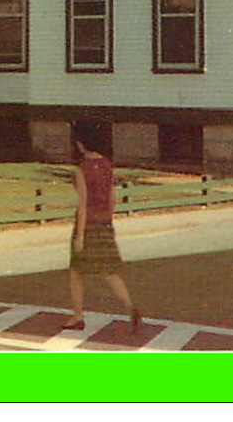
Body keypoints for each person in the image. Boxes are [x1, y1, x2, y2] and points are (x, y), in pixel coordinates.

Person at [64, 120, 144, 334]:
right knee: (109, 272)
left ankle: (78, 316)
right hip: (105, 223)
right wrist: (109, 220)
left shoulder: (80, 170)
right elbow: (111, 197)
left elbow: (82, 204)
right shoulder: (107, 165)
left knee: (76, 271)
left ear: (81, 144)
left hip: (87, 225)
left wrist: (80, 236)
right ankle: (131, 307)